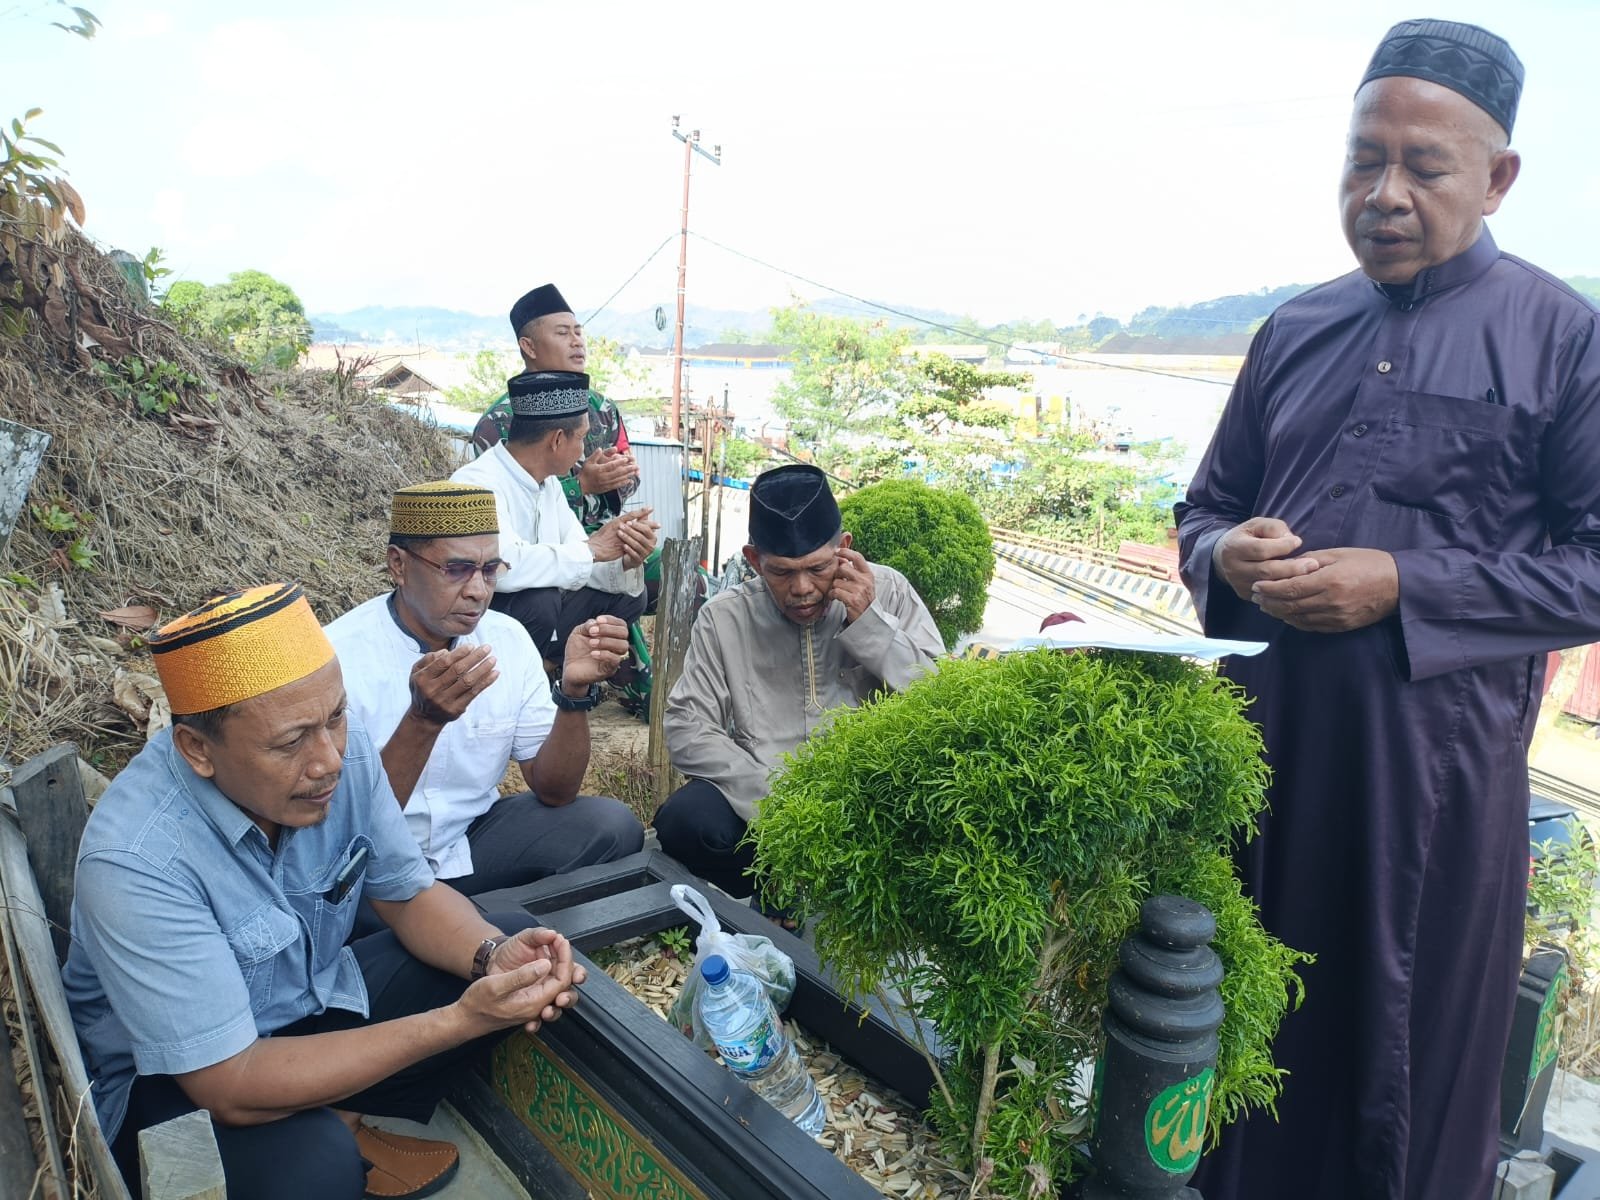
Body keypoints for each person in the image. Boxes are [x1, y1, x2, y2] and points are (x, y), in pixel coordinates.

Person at [1175, 20, 1600, 1199]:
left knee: (1399, 1059)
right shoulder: (1296, 327)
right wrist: (1231, 555)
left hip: (1434, 786)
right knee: (1242, 1031)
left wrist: (1404, 581)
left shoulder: (1560, 339)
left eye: (1424, 166)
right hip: (1266, 760)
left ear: (1498, 178)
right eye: (1364, 161)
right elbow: (1201, 509)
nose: (1385, 194)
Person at [61, 583, 588, 1200]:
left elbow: (408, 895)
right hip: (181, 1076)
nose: (329, 760)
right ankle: (332, 1133)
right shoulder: (138, 860)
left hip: (296, 1002)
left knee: (504, 950)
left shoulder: (338, 745)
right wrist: (457, 1022)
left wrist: (492, 958)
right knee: (316, 1167)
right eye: (290, 742)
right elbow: (227, 1082)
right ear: (198, 750)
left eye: (335, 716)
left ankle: (335, 1114)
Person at [324, 481, 644, 908]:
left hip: (469, 845)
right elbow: (345, 829)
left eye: (490, 570)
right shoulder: (337, 656)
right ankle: (469, 927)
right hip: (374, 867)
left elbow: (555, 791)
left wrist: (573, 690)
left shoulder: (506, 640)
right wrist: (422, 724)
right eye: (456, 570)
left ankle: (469, 924)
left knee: (611, 826)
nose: (478, 590)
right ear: (398, 566)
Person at [655, 464, 943, 898]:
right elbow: (687, 727)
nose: (802, 588)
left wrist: (871, 625)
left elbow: (942, 698)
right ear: (754, 561)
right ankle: (773, 897)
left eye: (818, 568)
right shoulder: (724, 617)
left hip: (874, 801)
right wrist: (772, 800)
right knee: (687, 820)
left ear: (844, 549)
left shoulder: (890, 592)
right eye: (782, 572)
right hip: (764, 806)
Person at [452, 369, 658, 664]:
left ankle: (553, 670)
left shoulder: (548, 484)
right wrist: (592, 550)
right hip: (482, 627)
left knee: (627, 596)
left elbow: (580, 557)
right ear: (557, 440)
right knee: (540, 601)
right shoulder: (477, 483)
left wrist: (624, 557)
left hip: (540, 618)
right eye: (583, 438)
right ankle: (508, 681)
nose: (584, 451)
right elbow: (502, 567)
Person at [472, 283, 639, 533]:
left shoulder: (602, 408)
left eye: (578, 333)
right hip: (537, 551)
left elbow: (631, 475)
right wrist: (582, 485)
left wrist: (612, 477)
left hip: (604, 533)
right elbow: (503, 509)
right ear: (529, 347)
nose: (576, 342)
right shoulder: (498, 422)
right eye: (562, 333)